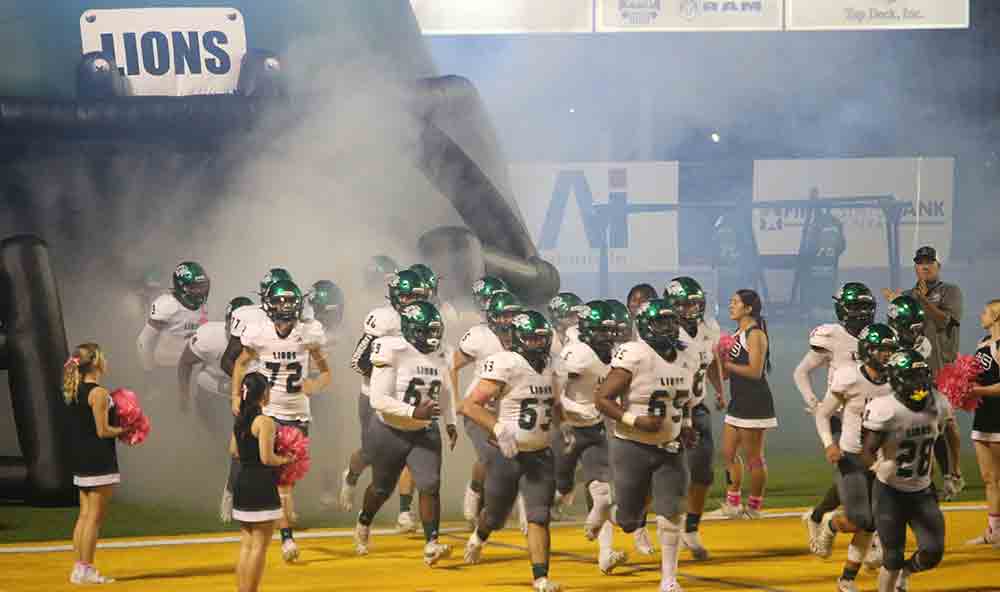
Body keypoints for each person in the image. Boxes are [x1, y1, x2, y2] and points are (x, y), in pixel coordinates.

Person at [594, 298, 697, 592]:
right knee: (628, 519)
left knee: (670, 512)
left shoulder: (686, 355)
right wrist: (634, 420)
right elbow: (601, 399)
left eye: (670, 321)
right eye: (661, 322)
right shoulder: (635, 354)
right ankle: (606, 514)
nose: (668, 328)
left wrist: (687, 426)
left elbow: (684, 401)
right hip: (632, 446)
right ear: (645, 325)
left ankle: (669, 579)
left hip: (670, 447)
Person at [461, 310, 563, 592]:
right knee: (496, 515)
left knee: (539, 516)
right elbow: (468, 406)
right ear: (518, 339)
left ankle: (540, 577)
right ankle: (479, 536)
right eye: (531, 338)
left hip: (540, 453)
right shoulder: (507, 364)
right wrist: (497, 429)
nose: (537, 344)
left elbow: (554, 405)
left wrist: (563, 428)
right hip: (508, 453)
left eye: (541, 339)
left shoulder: (552, 365)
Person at [230, 279, 331, 563]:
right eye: (281, 301)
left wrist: (316, 385)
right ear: (270, 304)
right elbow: (239, 363)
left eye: (290, 301)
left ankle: (277, 521)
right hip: (268, 412)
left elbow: (326, 372)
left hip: (298, 412)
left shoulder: (309, 333)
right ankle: (285, 536)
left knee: (287, 479)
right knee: (275, 477)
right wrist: (235, 397)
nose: (286, 307)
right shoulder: (259, 332)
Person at [353, 301, 458, 566]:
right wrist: (414, 412)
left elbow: (445, 390)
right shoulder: (392, 348)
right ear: (412, 330)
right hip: (390, 429)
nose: (433, 338)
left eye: (436, 331)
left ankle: (431, 543)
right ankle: (364, 521)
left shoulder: (441, 353)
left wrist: (450, 422)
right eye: (427, 331)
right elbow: (378, 399)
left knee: (430, 484)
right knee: (381, 488)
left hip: (424, 431)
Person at [861, 349, 958, 592]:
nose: (918, 385)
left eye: (920, 377)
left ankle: (908, 570)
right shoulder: (885, 408)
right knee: (892, 557)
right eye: (911, 378)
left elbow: (948, 437)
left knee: (933, 552)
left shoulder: (938, 402)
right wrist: (876, 465)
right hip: (890, 491)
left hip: (922, 490)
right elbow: (866, 449)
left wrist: (951, 473)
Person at [810, 324, 898, 592]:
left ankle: (846, 579)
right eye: (881, 349)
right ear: (868, 350)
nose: (886, 355)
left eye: (889, 349)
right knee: (861, 520)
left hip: (880, 461)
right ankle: (831, 522)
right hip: (851, 456)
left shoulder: (895, 379)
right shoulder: (849, 377)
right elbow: (823, 413)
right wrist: (829, 444)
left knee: (872, 523)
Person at [341, 269, 428, 534]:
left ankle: (404, 511)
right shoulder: (383, 319)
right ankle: (351, 475)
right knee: (371, 454)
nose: (411, 301)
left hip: (409, 398)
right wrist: (387, 376)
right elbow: (357, 361)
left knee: (409, 452)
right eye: (406, 296)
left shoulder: (426, 317)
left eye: (416, 296)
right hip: (374, 397)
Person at [794, 282, 876, 540]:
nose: (861, 313)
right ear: (842, 309)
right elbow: (801, 371)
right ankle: (869, 535)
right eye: (855, 307)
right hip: (841, 414)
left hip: (872, 414)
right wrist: (813, 401)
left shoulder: (877, 335)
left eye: (865, 306)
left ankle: (818, 515)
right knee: (854, 471)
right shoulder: (831, 337)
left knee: (860, 474)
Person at [555, 300, 628, 575]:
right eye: (603, 331)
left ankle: (606, 553)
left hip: (593, 427)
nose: (609, 337)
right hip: (565, 426)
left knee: (601, 490)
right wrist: (571, 412)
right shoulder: (578, 354)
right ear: (588, 330)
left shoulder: (618, 354)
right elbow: (553, 388)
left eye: (612, 331)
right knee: (559, 486)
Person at [451, 290, 523, 526]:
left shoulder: (527, 337)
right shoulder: (480, 336)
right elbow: (450, 366)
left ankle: (522, 508)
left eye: (512, 314)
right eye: (503, 315)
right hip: (479, 408)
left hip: (510, 409)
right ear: (492, 316)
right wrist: (455, 402)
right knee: (490, 456)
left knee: (520, 457)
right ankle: (475, 492)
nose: (508, 320)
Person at [664, 277, 723, 560]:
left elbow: (710, 361)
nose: (691, 309)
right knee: (662, 473)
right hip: (667, 410)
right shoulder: (663, 332)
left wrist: (720, 388)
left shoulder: (709, 328)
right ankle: (635, 520)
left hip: (697, 408)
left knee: (702, 472)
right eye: (685, 304)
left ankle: (691, 528)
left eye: (695, 303)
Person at [64, 343, 122, 585]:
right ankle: (86, 569)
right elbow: (102, 430)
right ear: (96, 362)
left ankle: (79, 568)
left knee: (84, 516)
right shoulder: (98, 393)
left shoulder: (75, 390)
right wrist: (127, 429)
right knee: (94, 518)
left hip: (82, 458)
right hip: (99, 460)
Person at [719, 289, 776, 519]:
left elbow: (755, 371)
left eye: (735, 302)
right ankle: (732, 503)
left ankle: (754, 506)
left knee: (754, 458)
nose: (731, 306)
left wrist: (727, 363)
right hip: (738, 400)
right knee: (728, 453)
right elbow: (727, 373)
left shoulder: (755, 334)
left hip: (755, 401)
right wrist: (720, 359)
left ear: (749, 308)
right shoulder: (736, 333)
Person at [231, 372, 290, 592]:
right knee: (259, 547)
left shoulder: (239, 421)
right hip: (261, 486)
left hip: (242, 484)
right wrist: (286, 458)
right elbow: (267, 458)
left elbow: (234, 451)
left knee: (246, 546)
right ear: (263, 394)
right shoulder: (264, 422)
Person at [882, 246, 963, 374]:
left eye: (930, 262)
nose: (925, 267)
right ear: (915, 268)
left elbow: (944, 322)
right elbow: (896, 333)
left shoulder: (950, 291)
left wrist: (923, 300)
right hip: (911, 369)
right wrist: (898, 304)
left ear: (939, 266)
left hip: (942, 371)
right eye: (920, 263)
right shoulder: (905, 297)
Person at [178, 296, 253, 427]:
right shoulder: (209, 336)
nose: (238, 329)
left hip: (246, 397)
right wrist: (184, 395)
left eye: (244, 324)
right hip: (211, 392)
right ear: (226, 322)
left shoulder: (264, 340)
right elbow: (185, 362)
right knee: (208, 434)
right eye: (234, 322)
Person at [966, 299, 1000, 548]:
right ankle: (994, 531)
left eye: (985, 312)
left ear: (996, 316)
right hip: (983, 417)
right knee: (989, 478)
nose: (981, 315)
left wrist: (977, 391)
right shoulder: (982, 343)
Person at [136, 261, 209, 371]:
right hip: (167, 368)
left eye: (202, 286)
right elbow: (144, 341)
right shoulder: (168, 304)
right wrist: (149, 370)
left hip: (193, 368)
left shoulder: (204, 306)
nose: (200, 291)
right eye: (194, 287)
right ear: (181, 286)